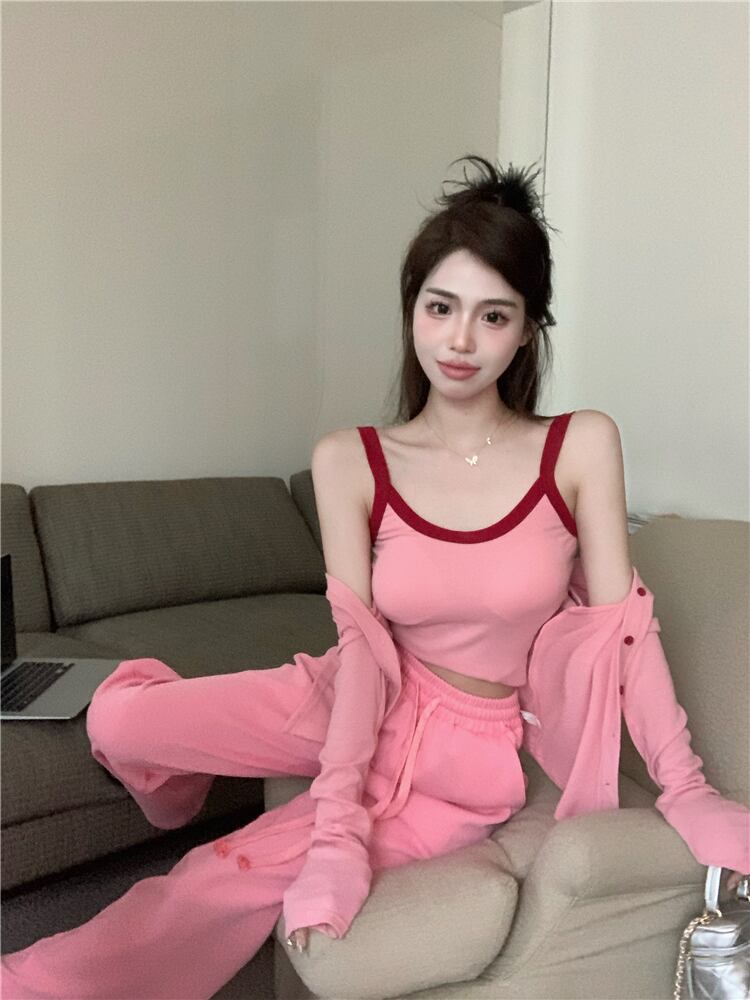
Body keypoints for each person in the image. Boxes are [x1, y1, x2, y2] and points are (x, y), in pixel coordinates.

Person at [2, 155, 747, 999]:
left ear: (527, 330)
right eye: (440, 307)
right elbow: (361, 652)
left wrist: (687, 788)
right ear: (412, 310)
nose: (459, 341)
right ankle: (172, 786)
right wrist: (336, 830)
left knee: (215, 878)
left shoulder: (578, 446)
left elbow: (625, 635)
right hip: (349, 690)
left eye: (493, 315)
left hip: (460, 750)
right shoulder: (350, 459)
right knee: (117, 718)